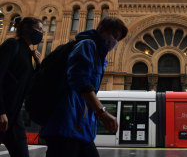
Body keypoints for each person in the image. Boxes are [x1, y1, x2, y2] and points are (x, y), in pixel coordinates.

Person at [40, 17, 128, 157]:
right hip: (66, 123)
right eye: (114, 35)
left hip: (80, 125)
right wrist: (102, 113)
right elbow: (79, 79)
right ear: (101, 29)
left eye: (117, 39)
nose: (114, 42)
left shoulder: (98, 55)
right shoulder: (87, 45)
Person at [0, 17, 43, 156]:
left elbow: (31, 86)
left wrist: (39, 64)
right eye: (40, 29)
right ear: (26, 28)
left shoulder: (28, 53)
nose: (42, 33)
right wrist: (1, 111)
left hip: (14, 116)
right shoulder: (12, 45)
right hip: (3, 112)